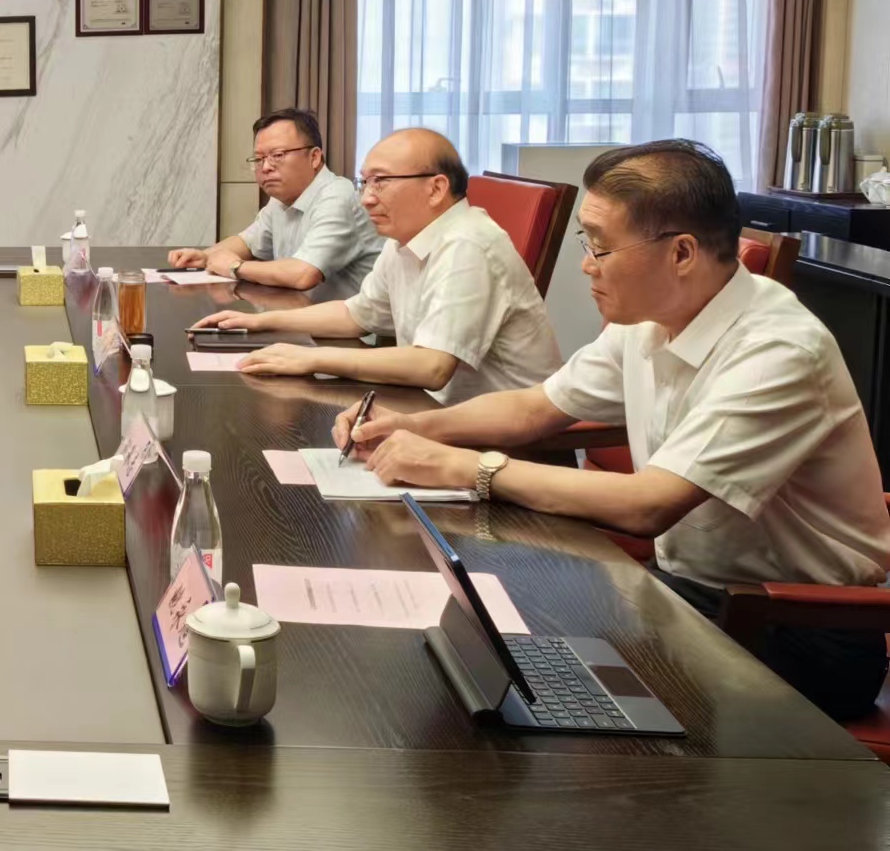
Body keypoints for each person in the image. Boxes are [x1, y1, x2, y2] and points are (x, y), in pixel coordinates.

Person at [333, 139, 890, 720]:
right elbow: (537, 408)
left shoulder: (778, 351)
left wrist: (469, 468)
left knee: (527, 673)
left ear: (681, 253)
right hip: (686, 589)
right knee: (480, 639)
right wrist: (413, 425)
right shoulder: (650, 319)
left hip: (793, 626)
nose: (587, 264)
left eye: (600, 245)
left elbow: (649, 505)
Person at [193, 127, 561, 403]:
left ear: (436, 188)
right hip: (434, 411)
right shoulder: (405, 238)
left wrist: (310, 358)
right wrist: (257, 322)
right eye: (364, 182)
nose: (367, 198)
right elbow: (356, 314)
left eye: (380, 182)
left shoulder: (468, 243)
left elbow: (431, 366)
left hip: (503, 441)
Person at [168, 108, 381, 292]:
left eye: (278, 155)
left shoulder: (337, 196)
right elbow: (248, 243)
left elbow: (304, 274)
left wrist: (235, 267)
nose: (266, 167)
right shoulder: (281, 199)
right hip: (302, 316)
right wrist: (205, 257)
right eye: (259, 159)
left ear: (314, 157)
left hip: (353, 326)